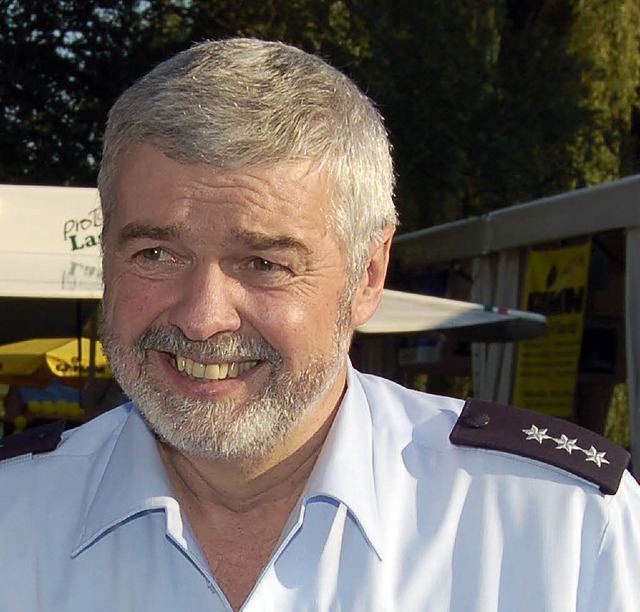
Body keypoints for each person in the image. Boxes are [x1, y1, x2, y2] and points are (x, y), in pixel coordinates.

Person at [1, 38, 639, 612]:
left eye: (264, 263)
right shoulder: (13, 523)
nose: (201, 318)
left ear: (368, 274)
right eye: (157, 255)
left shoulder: (567, 534)